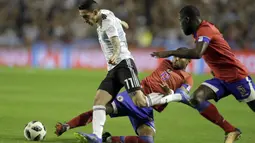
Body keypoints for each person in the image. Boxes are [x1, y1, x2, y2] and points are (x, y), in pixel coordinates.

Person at [55, 57, 240, 143]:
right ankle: (67, 126)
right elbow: (164, 84)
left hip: (147, 107)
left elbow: (182, 94)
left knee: (147, 140)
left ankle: (108, 140)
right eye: (176, 55)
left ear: (188, 62)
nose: (176, 59)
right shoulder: (166, 63)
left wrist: (169, 94)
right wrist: (168, 93)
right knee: (103, 108)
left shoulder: (187, 78)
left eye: (181, 58)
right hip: (135, 95)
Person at [152, 5, 255, 141]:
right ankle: (231, 130)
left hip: (237, 78)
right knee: (196, 98)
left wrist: (170, 52)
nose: (181, 25)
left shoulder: (205, 30)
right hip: (220, 79)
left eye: (181, 20)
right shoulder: (202, 32)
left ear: (187, 19)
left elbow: (197, 53)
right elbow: (216, 51)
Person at [77, 0, 174, 142]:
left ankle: (169, 95)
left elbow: (115, 41)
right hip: (113, 68)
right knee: (99, 100)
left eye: (86, 16)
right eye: (82, 17)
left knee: (140, 102)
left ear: (95, 12)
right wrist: (122, 23)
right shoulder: (105, 13)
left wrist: (116, 54)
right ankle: (96, 137)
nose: (84, 20)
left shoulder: (107, 23)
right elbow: (113, 17)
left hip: (124, 64)